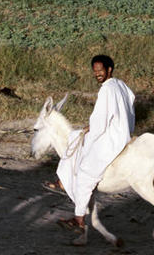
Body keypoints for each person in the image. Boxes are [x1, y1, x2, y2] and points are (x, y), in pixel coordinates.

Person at [54, 55, 135, 230]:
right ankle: (62, 178)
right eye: (95, 71)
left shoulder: (106, 89)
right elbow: (130, 105)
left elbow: (100, 120)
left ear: (109, 70)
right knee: (75, 135)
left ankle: (79, 219)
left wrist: (90, 130)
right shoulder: (121, 85)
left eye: (100, 70)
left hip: (111, 136)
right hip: (123, 132)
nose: (97, 74)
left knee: (84, 173)